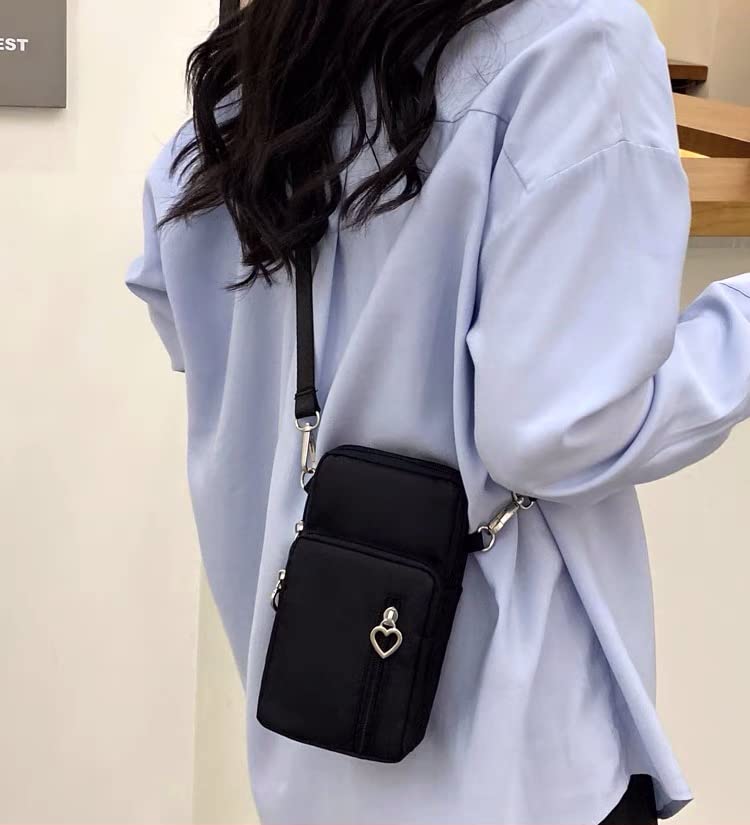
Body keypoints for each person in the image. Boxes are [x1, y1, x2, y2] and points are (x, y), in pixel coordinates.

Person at [126, 0, 750, 822]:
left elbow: (172, 296)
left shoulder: (260, 65)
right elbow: (559, 427)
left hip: (307, 754)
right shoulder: (576, 45)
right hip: (511, 762)